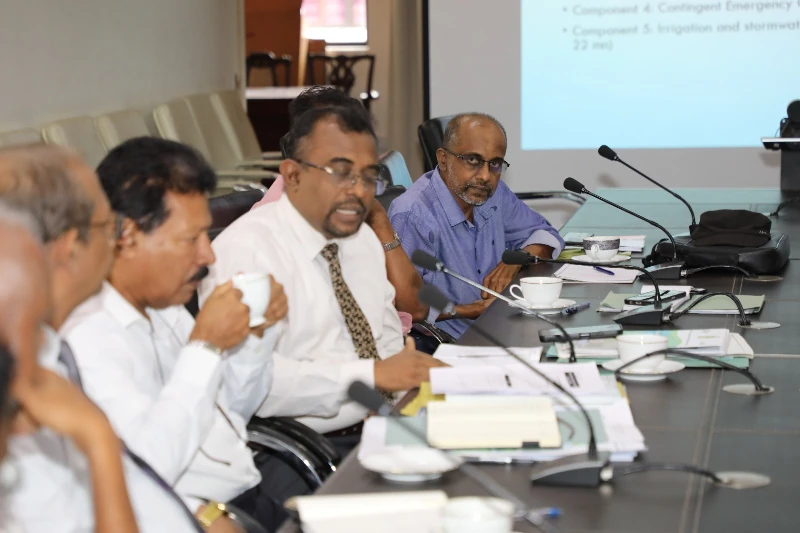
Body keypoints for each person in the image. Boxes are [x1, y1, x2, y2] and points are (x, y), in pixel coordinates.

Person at [60, 137, 291, 531]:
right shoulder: (87, 339)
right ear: (127, 235)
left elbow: (230, 411)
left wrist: (256, 337)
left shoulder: (163, 305)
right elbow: (148, 468)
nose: (208, 255)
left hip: (243, 497)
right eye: (191, 239)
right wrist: (205, 347)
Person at [200, 105, 446, 450]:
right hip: (310, 447)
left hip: (389, 421)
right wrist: (370, 376)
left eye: (368, 176)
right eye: (341, 173)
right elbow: (251, 384)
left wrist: (410, 390)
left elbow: (388, 338)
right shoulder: (247, 254)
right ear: (293, 175)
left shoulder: (361, 238)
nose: (358, 191)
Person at [0, 147, 208, 533]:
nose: (117, 241)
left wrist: (199, 513)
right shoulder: (25, 372)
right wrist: (99, 441)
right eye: (109, 227)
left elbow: (136, 478)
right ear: (69, 247)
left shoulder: (48, 348)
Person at [250, 85, 427, 324]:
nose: (358, 188)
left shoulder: (355, 224)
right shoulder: (263, 240)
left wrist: (380, 222)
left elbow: (416, 308)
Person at [388, 113, 565, 338]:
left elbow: (545, 233)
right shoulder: (414, 214)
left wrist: (516, 259)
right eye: (473, 160)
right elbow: (403, 304)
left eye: (495, 164)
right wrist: (469, 310)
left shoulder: (493, 194)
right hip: (449, 342)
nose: (485, 176)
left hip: (504, 327)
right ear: (443, 159)